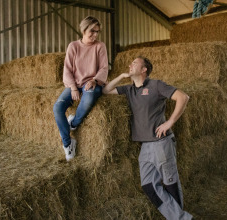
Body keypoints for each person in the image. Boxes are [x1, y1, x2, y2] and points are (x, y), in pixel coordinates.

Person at [102, 56, 193, 220]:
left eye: (134, 63)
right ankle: (182, 217)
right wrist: (122, 77)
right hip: (145, 146)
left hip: (161, 143)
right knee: (148, 185)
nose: (130, 64)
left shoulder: (156, 85)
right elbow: (105, 90)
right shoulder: (129, 89)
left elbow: (183, 97)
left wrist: (169, 123)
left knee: (170, 183)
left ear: (144, 70)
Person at [53, 16, 108, 162]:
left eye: (97, 32)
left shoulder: (100, 46)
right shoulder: (73, 46)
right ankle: (68, 144)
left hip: (92, 82)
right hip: (75, 83)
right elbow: (67, 70)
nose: (95, 35)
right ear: (84, 30)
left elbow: (104, 67)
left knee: (89, 97)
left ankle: (74, 123)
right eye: (92, 31)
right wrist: (73, 88)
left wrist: (95, 80)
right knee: (57, 108)